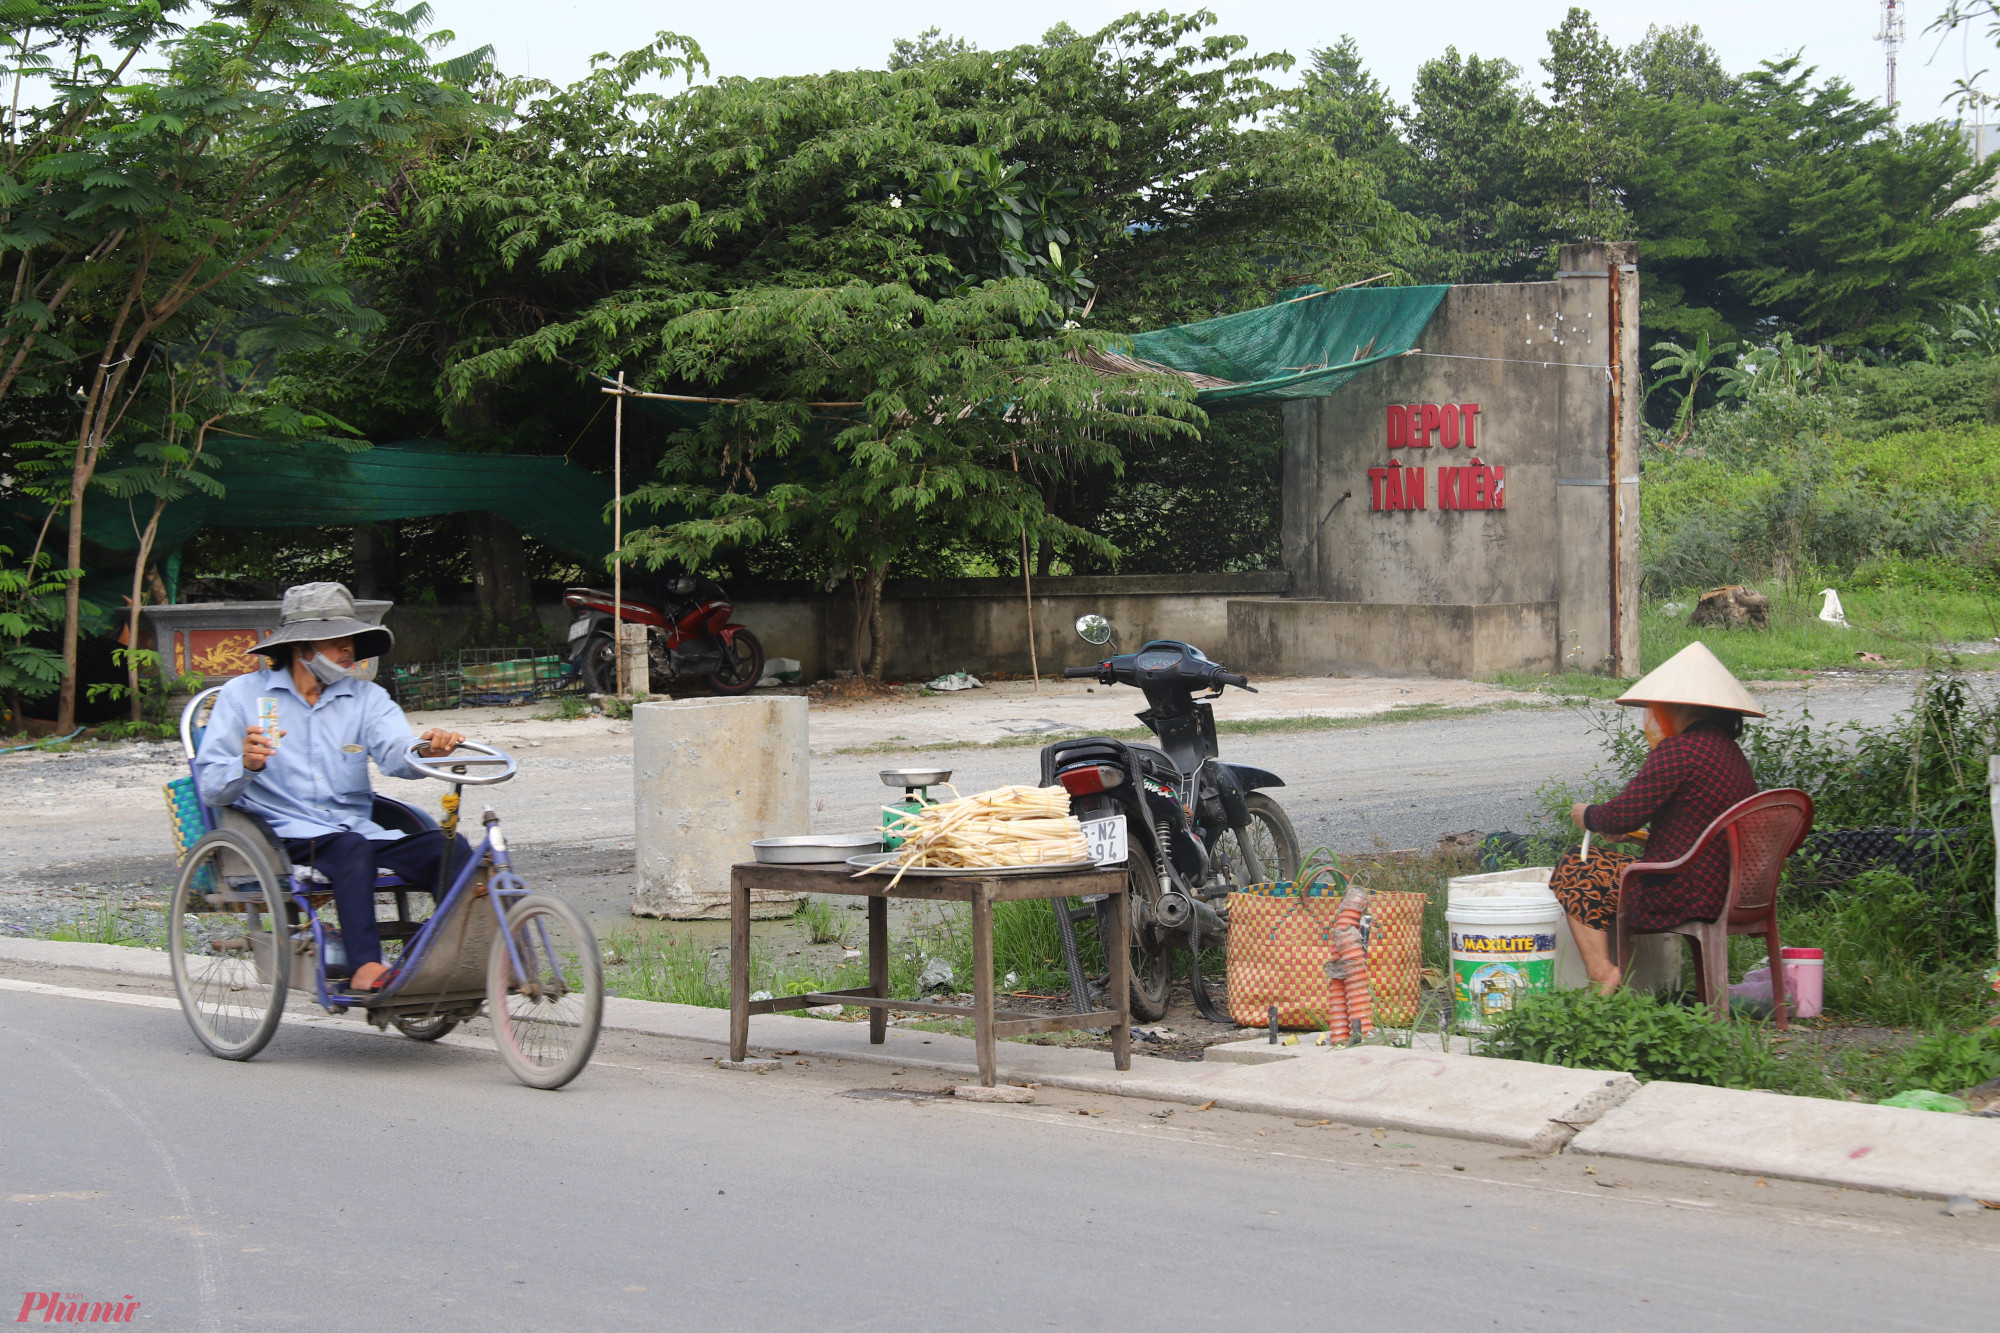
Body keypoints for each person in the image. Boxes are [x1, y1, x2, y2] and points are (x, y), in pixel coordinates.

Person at [194, 583, 470, 993]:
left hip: (354, 830)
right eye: (338, 640)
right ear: (301, 646)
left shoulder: (366, 698)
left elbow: (397, 752)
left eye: (352, 640)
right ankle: (365, 968)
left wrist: (428, 749)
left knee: (450, 848)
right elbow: (212, 787)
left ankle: (454, 956)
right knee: (351, 849)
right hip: (282, 836)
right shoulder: (243, 697)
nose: (349, 650)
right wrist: (246, 764)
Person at [1548, 642, 1763, 993]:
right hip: (1728, 887)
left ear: (1679, 705)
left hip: (1681, 892)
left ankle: (1602, 973)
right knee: (1600, 864)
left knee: (1576, 865)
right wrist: (1633, 835)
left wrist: (1588, 815)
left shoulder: (1681, 751)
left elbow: (1620, 814)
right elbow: (1698, 826)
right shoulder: (1730, 754)